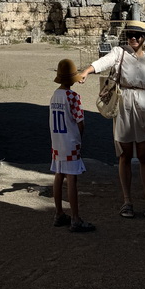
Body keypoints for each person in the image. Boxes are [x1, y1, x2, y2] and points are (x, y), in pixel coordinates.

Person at [77, 20, 145, 219]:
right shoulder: (119, 52)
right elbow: (102, 62)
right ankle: (127, 201)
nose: (134, 38)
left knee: (143, 156)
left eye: (138, 35)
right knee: (124, 154)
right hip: (124, 105)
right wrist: (86, 71)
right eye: (130, 34)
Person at [49, 58, 95, 233]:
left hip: (57, 141)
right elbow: (80, 121)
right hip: (70, 142)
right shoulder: (73, 96)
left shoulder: (55, 95)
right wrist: (80, 138)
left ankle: (59, 213)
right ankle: (75, 218)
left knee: (58, 175)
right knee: (72, 179)